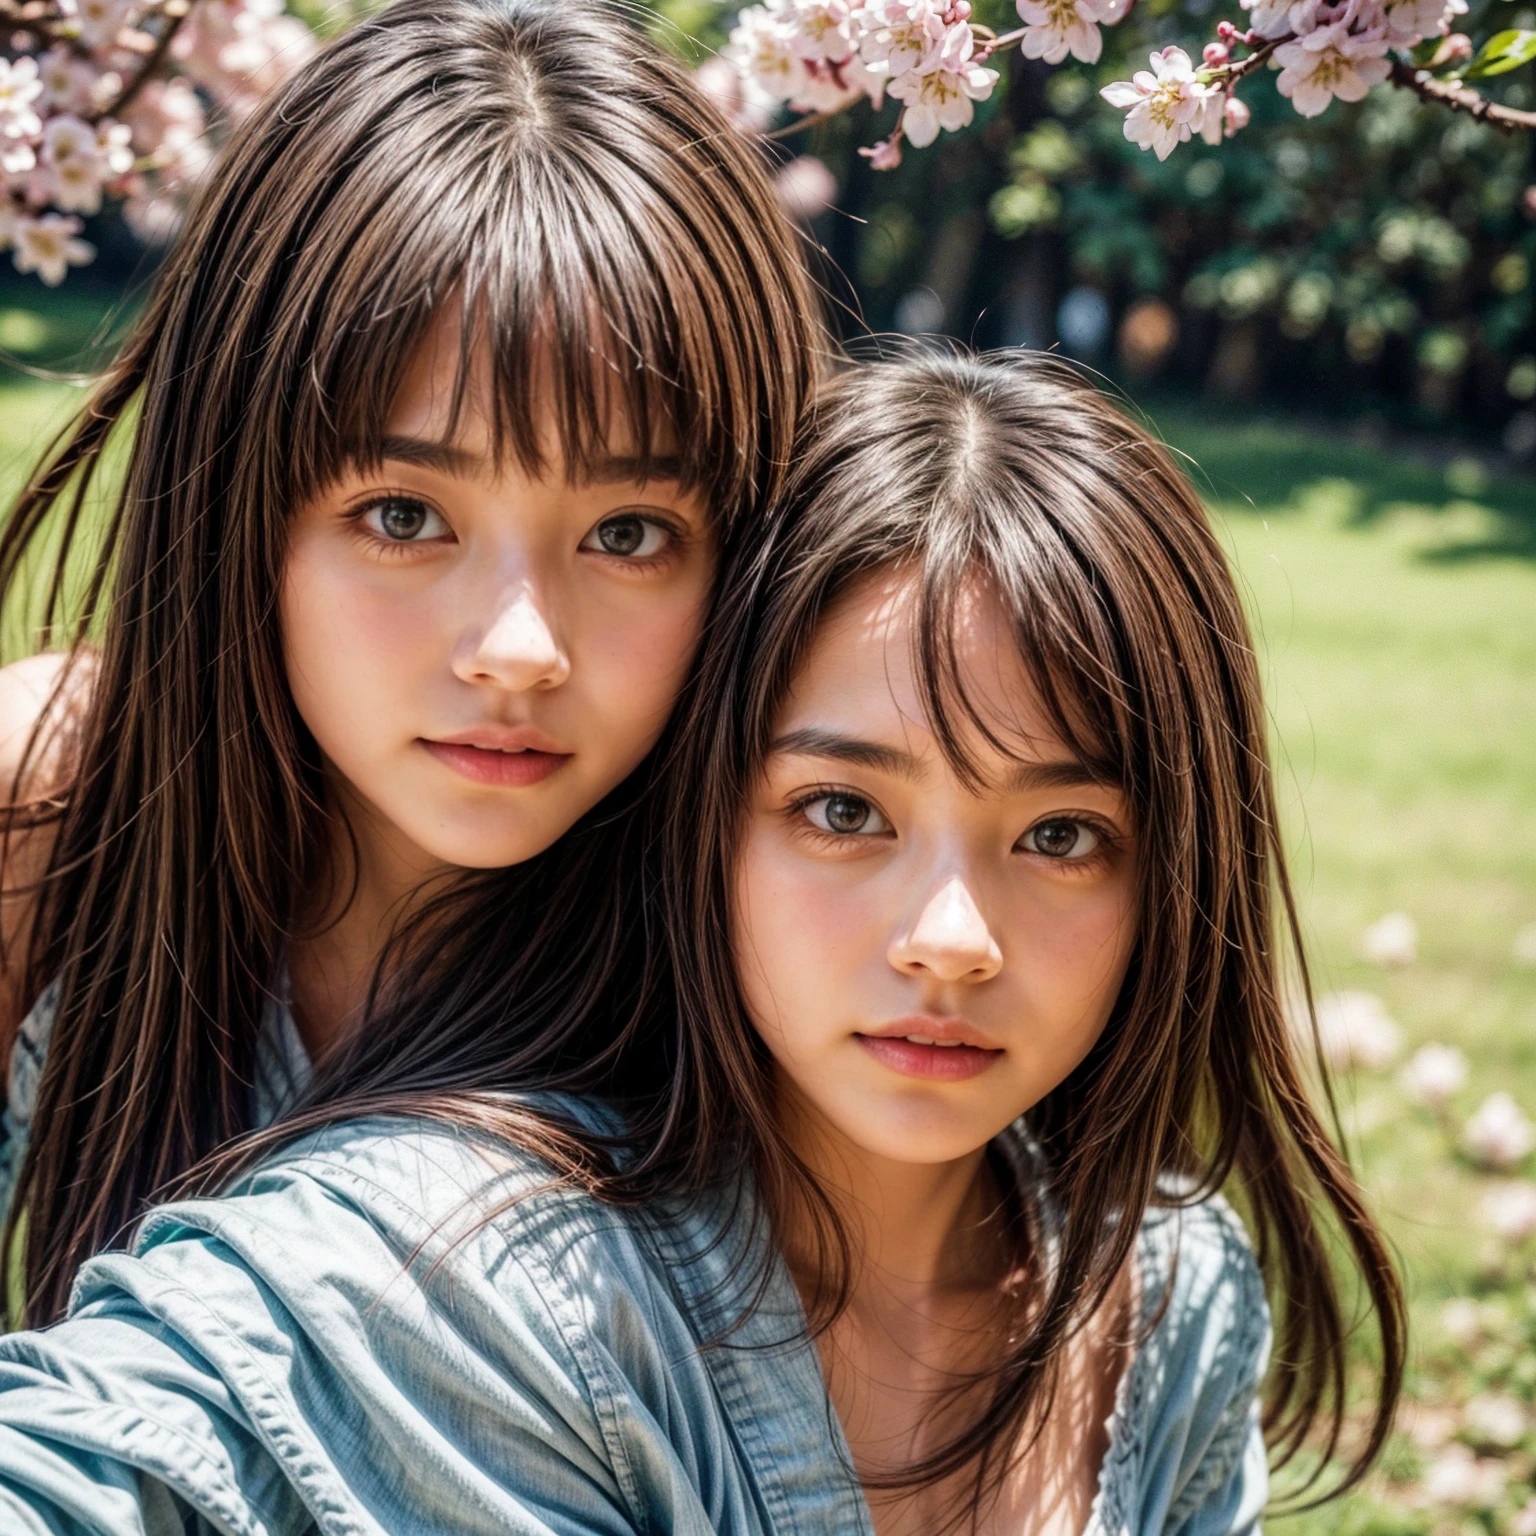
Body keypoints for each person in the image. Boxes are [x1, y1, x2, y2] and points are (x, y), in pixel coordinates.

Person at [0, 353, 1403, 1535]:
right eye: (843, 810)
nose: (953, 941)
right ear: (701, 816)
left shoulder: (1174, 1295)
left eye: (1060, 836)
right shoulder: (470, 1260)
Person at [0, 0, 823, 1326]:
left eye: (627, 533)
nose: (519, 649)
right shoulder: (52, 815)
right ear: (239, 504)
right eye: (403, 517)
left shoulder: (803, 940)